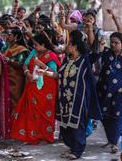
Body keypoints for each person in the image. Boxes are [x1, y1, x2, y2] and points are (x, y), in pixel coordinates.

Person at [40, 30, 101, 159]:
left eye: (68, 44)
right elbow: (58, 75)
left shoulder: (84, 61)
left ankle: (77, 151)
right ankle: (72, 147)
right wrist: (45, 72)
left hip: (78, 100)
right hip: (65, 100)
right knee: (65, 126)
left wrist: (89, 28)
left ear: (75, 47)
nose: (66, 47)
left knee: (77, 125)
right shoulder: (67, 61)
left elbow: (95, 50)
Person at [10, 33, 60, 144]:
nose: (34, 47)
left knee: (45, 112)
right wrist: (27, 72)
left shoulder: (51, 56)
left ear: (44, 45)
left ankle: (45, 136)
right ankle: (31, 136)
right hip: (32, 86)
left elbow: (54, 74)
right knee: (30, 112)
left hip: (46, 90)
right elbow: (25, 64)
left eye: (36, 45)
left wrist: (42, 65)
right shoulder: (33, 52)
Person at [96, 32, 122, 154]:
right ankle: (110, 140)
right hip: (103, 91)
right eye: (111, 42)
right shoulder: (106, 53)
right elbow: (96, 49)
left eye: (116, 43)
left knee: (117, 117)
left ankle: (114, 142)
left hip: (119, 95)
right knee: (104, 116)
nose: (113, 44)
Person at [2, 27, 29, 109]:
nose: (7, 36)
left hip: (16, 79)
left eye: (10, 35)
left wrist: (9, 61)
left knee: (15, 102)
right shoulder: (6, 47)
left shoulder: (21, 49)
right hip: (6, 77)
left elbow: (21, 65)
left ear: (16, 37)